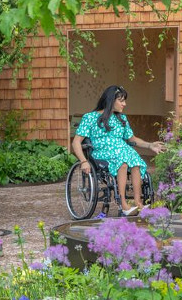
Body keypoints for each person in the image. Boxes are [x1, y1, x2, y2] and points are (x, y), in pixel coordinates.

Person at [70, 85, 166, 216]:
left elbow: (132, 138)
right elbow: (76, 142)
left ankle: (138, 203)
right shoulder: (90, 117)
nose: (124, 104)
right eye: (121, 100)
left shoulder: (122, 118)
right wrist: (83, 161)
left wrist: (150, 145)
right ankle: (123, 204)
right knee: (123, 162)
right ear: (111, 100)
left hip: (122, 150)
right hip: (102, 152)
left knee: (135, 162)